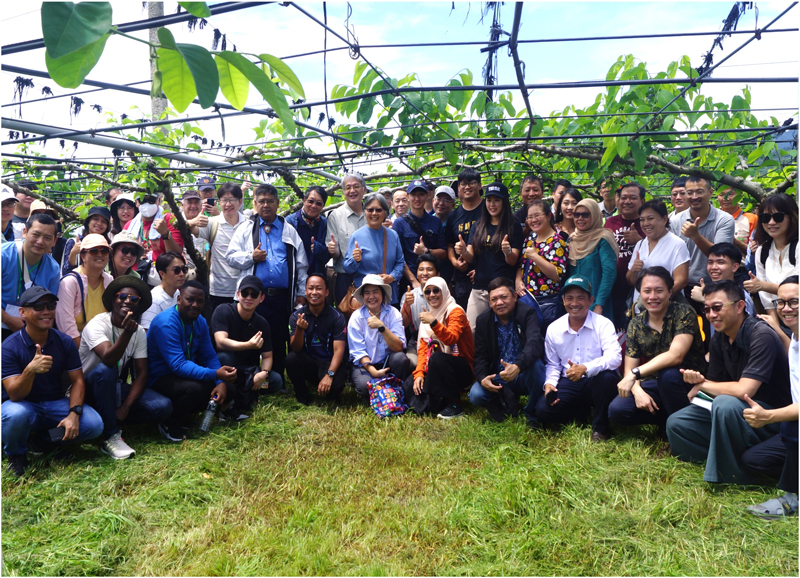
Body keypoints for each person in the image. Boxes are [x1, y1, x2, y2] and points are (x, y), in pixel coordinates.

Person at [666, 280, 792, 484]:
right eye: (706, 309)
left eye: (717, 308)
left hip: (770, 417)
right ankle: (728, 460)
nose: (711, 315)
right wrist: (700, 384)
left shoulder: (761, 335)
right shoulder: (719, 338)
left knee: (724, 405)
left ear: (740, 306)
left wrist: (702, 385)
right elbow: (715, 385)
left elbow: (745, 389)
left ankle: (731, 474)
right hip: (739, 414)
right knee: (678, 423)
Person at [2, 286, 104, 477]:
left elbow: (78, 381)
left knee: (94, 424)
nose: (46, 311)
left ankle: (43, 441)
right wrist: (30, 370)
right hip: (22, 404)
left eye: (50, 305)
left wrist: (74, 413)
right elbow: (14, 394)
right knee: (14, 415)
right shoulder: (8, 347)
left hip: (55, 403)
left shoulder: (64, 341)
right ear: (22, 312)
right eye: (39, 306)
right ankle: (16, 454)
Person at [79, 276, 172, 459]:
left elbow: (142, 373)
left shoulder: (137, 331)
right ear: (113, 300)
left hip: (113, 387)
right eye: (122, 297)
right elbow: (108, 360)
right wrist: (127, 333)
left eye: (134, 299)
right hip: (87, 389)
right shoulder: (97, 324)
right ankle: (110, 435)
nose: (127, 301)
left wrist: (126, 406)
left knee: (163, 407)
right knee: (106, 371)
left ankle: (111, 417)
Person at [226, 183, 308, 384]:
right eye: (261, 201)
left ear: (278, 203)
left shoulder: (288, 230)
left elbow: (302, 265)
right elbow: (230, 257)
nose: (266, 205)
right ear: (254, 203)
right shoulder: (245, 228)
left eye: (270, 201)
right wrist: (251, 256)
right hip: (252, 297)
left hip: (281, 296)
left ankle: (275, 377)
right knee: (251, 335)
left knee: (279, 336)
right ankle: (249, 377)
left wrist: (301, 293)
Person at [609, 267, 706, 435]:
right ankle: (665, 420)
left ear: (670, 292)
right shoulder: (636, 324)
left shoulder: (683, 313)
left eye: (659, 291)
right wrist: (638, 391)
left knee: (668, 375)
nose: (652, 297)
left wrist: (634, 374)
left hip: (687, 381)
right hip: (654, 382)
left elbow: (676, 355)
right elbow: (629, 368)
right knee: (617, 410)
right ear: (639, 294)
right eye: (647, 291)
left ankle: (681, 431)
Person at [147, 281, 238, 441]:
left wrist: (220, 382)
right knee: (194, 389)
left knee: (228, 389)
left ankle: (185, 416)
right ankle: (169, 422)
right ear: (179, 299)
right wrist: (215, 374)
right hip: (159, 377)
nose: (195, 305)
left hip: (183, 374)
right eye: (190, 300)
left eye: (200, 301)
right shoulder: (166, 323)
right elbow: (178, 365)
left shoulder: (200, 321)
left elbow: (209, 356)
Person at [535, 276, 622, 441]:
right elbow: (553, 364)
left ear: (591, 300)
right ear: (563, 300)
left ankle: (601, 429)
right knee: (542, 411)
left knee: (608, 377)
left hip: (595, 379)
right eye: (570, 298)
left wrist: (585, 368)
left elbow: (615, 357)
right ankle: (581, 412)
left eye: (581, 298)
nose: (575, 303)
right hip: (569, 381)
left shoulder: (603, 324)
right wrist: (550, 385)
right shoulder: (554, 328)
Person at [741, 276, 798, 519]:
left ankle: (791, 497)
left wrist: (769, 416)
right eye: (781, 302)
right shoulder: (795, 337)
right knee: (754, 460)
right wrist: (777, 328)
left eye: (794, 302)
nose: (786, 308)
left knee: (791, 425)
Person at [469, 277, 545, 425]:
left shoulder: (527, 313)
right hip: (499, 377)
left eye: (504, 297)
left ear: (515, 297)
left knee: (537, 367)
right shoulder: (483, 320)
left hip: (523, 372)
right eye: (494, 299)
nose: (499, 302)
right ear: (490, 302)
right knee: (475, 395)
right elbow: (480, 356)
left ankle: (532, 411)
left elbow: (535, 343)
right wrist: (483, 377)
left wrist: (517, 366)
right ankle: (506, 399)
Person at [211, 276, 283, 419]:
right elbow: (221, 342)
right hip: (225, 372)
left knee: (275, 381)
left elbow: (268, 356)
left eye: (254, 294)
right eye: (245, 293)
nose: (248, 298)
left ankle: (243, 392)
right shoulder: (223, 311)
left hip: (248, 374)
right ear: (238, 294)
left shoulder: (262, 323)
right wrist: (248, 345)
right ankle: (229, 398)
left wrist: (263, 373)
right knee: (225, 356)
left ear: (261, 298)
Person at [455, 182, 523, 332]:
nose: (492, 204)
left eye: (497, 200)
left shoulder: (514, 226)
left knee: (504, 331)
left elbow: (513, 261)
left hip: (503, 289)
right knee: (471, 330)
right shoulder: (479, 225)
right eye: (489, 200)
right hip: (480, 288)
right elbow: (470, 257)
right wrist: (463, 250)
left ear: (504, 202)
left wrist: (507, 251)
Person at [406, 277, 474, 418]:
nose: (432, 295)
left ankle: (455, 404)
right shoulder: (429, 315)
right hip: (439, 367)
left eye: (436, 290)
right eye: (428, 292)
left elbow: (451, 339)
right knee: (411, 383)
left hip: (463, 369)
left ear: (444, 291)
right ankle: (437, 402)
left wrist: (434, 323)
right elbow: (423, 349)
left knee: (438, 359)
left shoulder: (455, 311)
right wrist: (419, 374)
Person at [669, 175, 735, 305]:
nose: (694, 197)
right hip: (683, 287)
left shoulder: (724, 219)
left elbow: (722, 256)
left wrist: (696, 236)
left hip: (716, 285)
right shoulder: (675, 221)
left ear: (710, 193)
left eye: (699, 191)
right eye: (690, 192)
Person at [347, 274, 411, 401]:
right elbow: (358, 351)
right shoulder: (356, 317)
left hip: (387, 363)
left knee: (401, 359)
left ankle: (387, 389)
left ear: (382, 294)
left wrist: (382, 327)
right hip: (365, 366)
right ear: (363, 296)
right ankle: (385, 388)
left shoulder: (393, 313)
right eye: (367, 293)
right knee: (364, 387)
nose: (371, 297)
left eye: (375, 292)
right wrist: (373, 371)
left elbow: (398, 347)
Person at [286, 274, 348, 405]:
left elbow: (339, 351)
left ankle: (330, 392)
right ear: (305, 291)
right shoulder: (296, 316)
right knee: (291, 359)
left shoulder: (337, 317)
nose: (314, 292)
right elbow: (296, 348)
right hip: (310, 363)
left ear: (326, 292)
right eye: (310, 288)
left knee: (336, 387)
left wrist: (329, 375)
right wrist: (299, 330)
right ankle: (303, 396)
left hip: (329, 363)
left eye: (318, 288)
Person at [1, 214, 61, 341]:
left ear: (54, 241)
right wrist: (7, 319)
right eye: (36, 234)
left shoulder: (53, 269)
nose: (40, 241)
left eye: (47, 238)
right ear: (24, 232)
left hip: (29, 329)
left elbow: (49, 305)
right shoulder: (4, 255)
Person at [192, 182, 248, 310]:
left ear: (240, 201)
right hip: (218, 290)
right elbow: (187, 229)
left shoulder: (249, 225)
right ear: (219, 202)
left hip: (244, 291)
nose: (228, 204)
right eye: (224, 200)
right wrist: (194, 221)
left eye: (232, 200)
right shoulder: (213, 223)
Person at [745, 193, 799, 327]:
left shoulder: (798, 247)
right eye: (765, 218)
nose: (771, 222)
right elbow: (766, 299)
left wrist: (763, 285)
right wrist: (776, 327)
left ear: (792, 217)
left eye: (778, 217)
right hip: (780, 317)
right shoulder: (761, 252)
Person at [342, 193, 405, 305]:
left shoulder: (393, 235)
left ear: (385, 212)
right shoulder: (357, 236)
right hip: (365, 298)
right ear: (365, 211)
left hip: (388, 296)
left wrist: (392, 277)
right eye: (370, 210)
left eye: (378, 210)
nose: (374, 213)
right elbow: (347, 268)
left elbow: (400, 262)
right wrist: (355, 260)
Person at [516, 200, 568, 329]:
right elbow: (521, 265)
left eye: (537, 215)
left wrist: (535, 257)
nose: (533, 220)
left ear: (549, 216)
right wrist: (518, 281)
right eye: (529, 217)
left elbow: (557, 274)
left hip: (548, 302)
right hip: (527, 299)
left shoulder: (557, 241)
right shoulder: (530, 239)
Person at [627, 200, 690, 306]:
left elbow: (681, 280)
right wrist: (633, 270)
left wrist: (658, 300)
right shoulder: (640, 244)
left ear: (664, 219)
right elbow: (630, 280)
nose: (646, 223)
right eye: (642, 220)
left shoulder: (677, 244)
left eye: (650, 218)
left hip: (667, 310)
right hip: (640, 311)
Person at [55, 234, 114, 348]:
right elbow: (66, 324)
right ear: (82, 256)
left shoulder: (109, 280)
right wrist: (82, 353)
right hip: (75, 344)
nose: (100, 254)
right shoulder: (70, 282)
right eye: (93, 251)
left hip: (102, 341)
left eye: (104, 250)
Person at [567, 199, 619, 323]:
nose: (580, 218)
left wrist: (599, 305)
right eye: (576, 215)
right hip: (573, 305)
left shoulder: (603, 238)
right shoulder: (572, 239)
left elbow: (609, 273)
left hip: (596, 303)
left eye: (585, 214)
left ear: (595, 215)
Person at [389, 179, 446, 291]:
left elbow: (443, 253)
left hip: (433, 280)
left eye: (421, 194)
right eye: (414, 194)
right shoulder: (399, 223)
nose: (417, 198)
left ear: (427, 196)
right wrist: (414, 281)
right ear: (408, 196)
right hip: (409, 282)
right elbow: (397, 257)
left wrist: (426, 251)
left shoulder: (435, 222)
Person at [604, 182, 645, 329]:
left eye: (632, 198)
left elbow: (659, 248)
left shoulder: (646, 223)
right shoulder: (610, 222)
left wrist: (639, 241)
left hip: (639, 288)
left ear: (642, 201)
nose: (627, 201)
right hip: (614, 287)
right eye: (623, 198)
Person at [447, 167, 484, 310]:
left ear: (480, 185)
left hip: (485, 277)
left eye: (472, 182)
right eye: (463, 183)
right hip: (462, 278)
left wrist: (482, 270)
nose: (467, 187)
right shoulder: (454, 215)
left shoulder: (488, 209)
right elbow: (449, 244)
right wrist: (454, 262)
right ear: (459, 187)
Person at [690, 243, 756, 323]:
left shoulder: (741, 296)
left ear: (734, 267)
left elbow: (742, 327)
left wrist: (705, 300)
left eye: (720, 262)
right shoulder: (708, 291)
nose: (714, 267)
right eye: (710, 262)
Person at [327, 173, 367, 303]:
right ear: (343, 192)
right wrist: (333, 250)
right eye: (348, 187)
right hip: (345, 279)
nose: (352, 191)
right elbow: (336, 252)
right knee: (346, 319)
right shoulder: (335, 216)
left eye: (356, 186)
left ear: (364, 189)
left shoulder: (372, 212)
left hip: (370, 275)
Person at [401, 254, 441, 366]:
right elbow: (402, 325)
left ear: (438, 274)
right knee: (411, 363)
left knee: (434, 362)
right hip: (415, 343)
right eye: (421, 269)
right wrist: (407, 305)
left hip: (440, 343)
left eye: (429, 269)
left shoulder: (446, 297)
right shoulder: (409, 295)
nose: (425, 273)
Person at [124, 192, 184, 267]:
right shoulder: (129, 226)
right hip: (137, 274)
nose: (147, 204)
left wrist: (166, 234)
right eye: (142, 201)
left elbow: (176, 254)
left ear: (158, 201)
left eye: (151, 200)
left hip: (163, 274)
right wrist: (137, 252)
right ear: (136, 203)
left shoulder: (170, 219)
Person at [285, 185, 329, 276]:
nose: (313, 206)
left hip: (316, 277)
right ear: (304, 200)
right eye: (310, 201)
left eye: (318, 203)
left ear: (323, 206)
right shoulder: (290, 222)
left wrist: (321, 250)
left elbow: (328, 256)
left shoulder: (325, 224)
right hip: (293, 276)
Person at [140, 251, 187, 331]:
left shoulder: (176, 293)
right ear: (162, 274)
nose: (182, 274)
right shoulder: (154, 300)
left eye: (184, 269)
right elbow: (146, 332)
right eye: (177, 270)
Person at [62, 206, 112, 274]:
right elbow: (65, 273)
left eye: (103, 221)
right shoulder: (74, 242)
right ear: (88, 222)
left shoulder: (107, 247)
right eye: (96, 219)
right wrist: (73, 253)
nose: (99, 223)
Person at [173, 189, 207, 274]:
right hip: (183, 272)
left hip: (206, 270)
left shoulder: (207, 221)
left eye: (196, 202)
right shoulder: (174, 221)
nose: (193, 206)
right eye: (189, 202)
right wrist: (194, 222)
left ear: (201, 205)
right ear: (182, 204)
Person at [717, 186, 757, 256]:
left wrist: (735, 241)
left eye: (730, 194)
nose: (726, 198)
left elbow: (756, 251)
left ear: (739, 195)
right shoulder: (713, 218)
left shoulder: (752, 219)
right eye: (721, 195)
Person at [28, 200, 67, 269]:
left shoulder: (64, 243)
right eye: (38, 214)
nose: (43, 217)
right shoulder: (8, 254)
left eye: (47, 214)